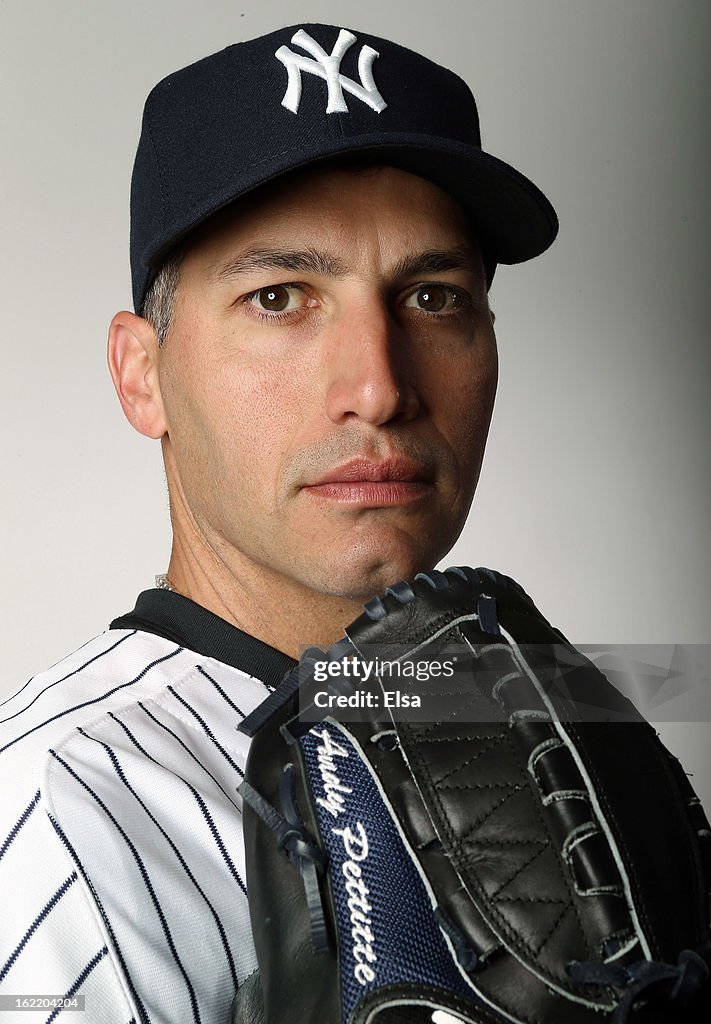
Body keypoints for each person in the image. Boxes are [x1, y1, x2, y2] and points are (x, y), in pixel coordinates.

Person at [0, 23, 557, 1023]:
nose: (381, 388)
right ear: (142, 375)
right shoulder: (58, 814)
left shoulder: (540, 748)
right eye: (281, 297)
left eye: (434, 297)